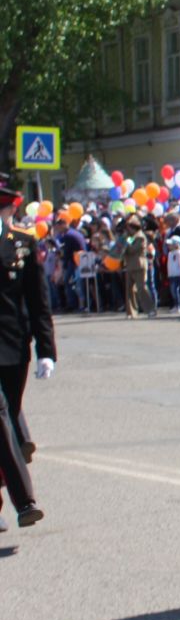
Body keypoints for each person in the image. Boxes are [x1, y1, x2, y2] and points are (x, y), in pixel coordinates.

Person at [0, 181, 49, 526]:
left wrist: (47, 350)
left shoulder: (22, 243)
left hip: (13, 346)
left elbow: (37, 300)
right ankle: (24, 501)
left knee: (7, 419)